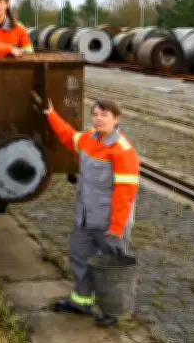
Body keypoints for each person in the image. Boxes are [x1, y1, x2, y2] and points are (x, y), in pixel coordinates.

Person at [37, 96, 140, 327]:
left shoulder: (122, 151)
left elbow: (125, 195)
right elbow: (67, 135)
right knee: (79, 258)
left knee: (111, 268)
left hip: (108, 223)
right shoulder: (88, 139)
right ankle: (81, 302)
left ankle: (112, 311)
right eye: (95, 114)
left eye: (104, 115)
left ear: (116, 119)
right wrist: (50, 114)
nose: (98, 119)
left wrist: (116, 229)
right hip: (85, 218)